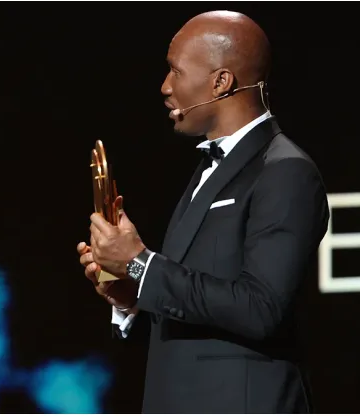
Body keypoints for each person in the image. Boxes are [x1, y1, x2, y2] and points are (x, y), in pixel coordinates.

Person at [78, 10, 328, 413]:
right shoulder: (209, 168)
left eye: (175, 71)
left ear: (221, 81)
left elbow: (261, 309)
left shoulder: (286, 171)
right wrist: (129, 295)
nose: (164, 86)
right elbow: (192, 310)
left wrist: (141, 264)